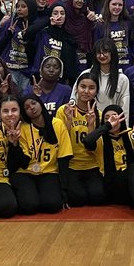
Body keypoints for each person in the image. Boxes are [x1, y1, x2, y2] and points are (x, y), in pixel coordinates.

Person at [15, 94, 73, 214]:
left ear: (40, 104)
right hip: (25, 172)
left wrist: (64, 191)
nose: (31, 107)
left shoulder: (58, 124)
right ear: (24, 112)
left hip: (49, 172)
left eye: (33, 103)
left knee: (52, 205)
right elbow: (23, 162)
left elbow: (64, 159)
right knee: (29, 206)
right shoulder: (23, 128)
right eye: (26, 107)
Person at [54, 73, 105, 207]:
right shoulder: (63, 111)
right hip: (71, 165)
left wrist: (90, 125)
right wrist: (69, 121)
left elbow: (94, 146)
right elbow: (60, 142)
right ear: (76, 88)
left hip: (92, 165)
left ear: (96, 91)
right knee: (78, 199)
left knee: (97, 198)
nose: (86, 91)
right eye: (83, 86)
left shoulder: (99, 115)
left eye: (91, 88)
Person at [29, 0, 80, 83]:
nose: (59, 16)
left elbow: (73, 62)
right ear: (50, 15)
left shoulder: (69, 37)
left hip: (62, 80)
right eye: (55, 13)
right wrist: (48, 22)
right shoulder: (43, 33)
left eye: (62, 13)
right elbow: (29, 33)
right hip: (41, 78)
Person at [0, 0, 36, 93]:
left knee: (24, 96)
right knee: (11, 94)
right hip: (10, 67)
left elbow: (35, 51)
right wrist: (8, 33)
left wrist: (27, 38)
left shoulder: (35, 26)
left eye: (23, 6)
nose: (19, 9)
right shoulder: (11, 23)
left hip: (26, 70)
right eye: (18, 7)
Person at [85, 38, 131, 115]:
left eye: (105, 52)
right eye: (99, 53)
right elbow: (75, 98)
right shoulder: (86, 75)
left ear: (112, 53)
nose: (102, 56)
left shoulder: (122, 79)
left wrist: (123, 126)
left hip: (112, 124)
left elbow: (124, 108)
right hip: (89, 122)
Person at [94, 0, 132, 67]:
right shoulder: (100, 25)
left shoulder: (129, 23)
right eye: (114, 4)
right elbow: (96, 49)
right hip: (107, 66)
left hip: (126, 65)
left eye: (120, 5)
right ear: (108, 5)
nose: (117, 7)